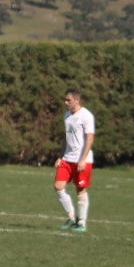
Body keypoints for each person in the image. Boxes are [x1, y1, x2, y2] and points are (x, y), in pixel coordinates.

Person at [55, 88, 95, 233]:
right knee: (58, 187)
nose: (66, 102)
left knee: (80, 190)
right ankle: (72, 217)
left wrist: (83, 160)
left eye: (68, 100)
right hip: (67, 158)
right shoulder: (66, 115)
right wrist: (60, 156)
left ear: (77, 101)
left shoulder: (86, 116)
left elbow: (90, 138)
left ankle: (82, 223)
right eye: (65, 100)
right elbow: (65, 138)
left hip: (81, 160)